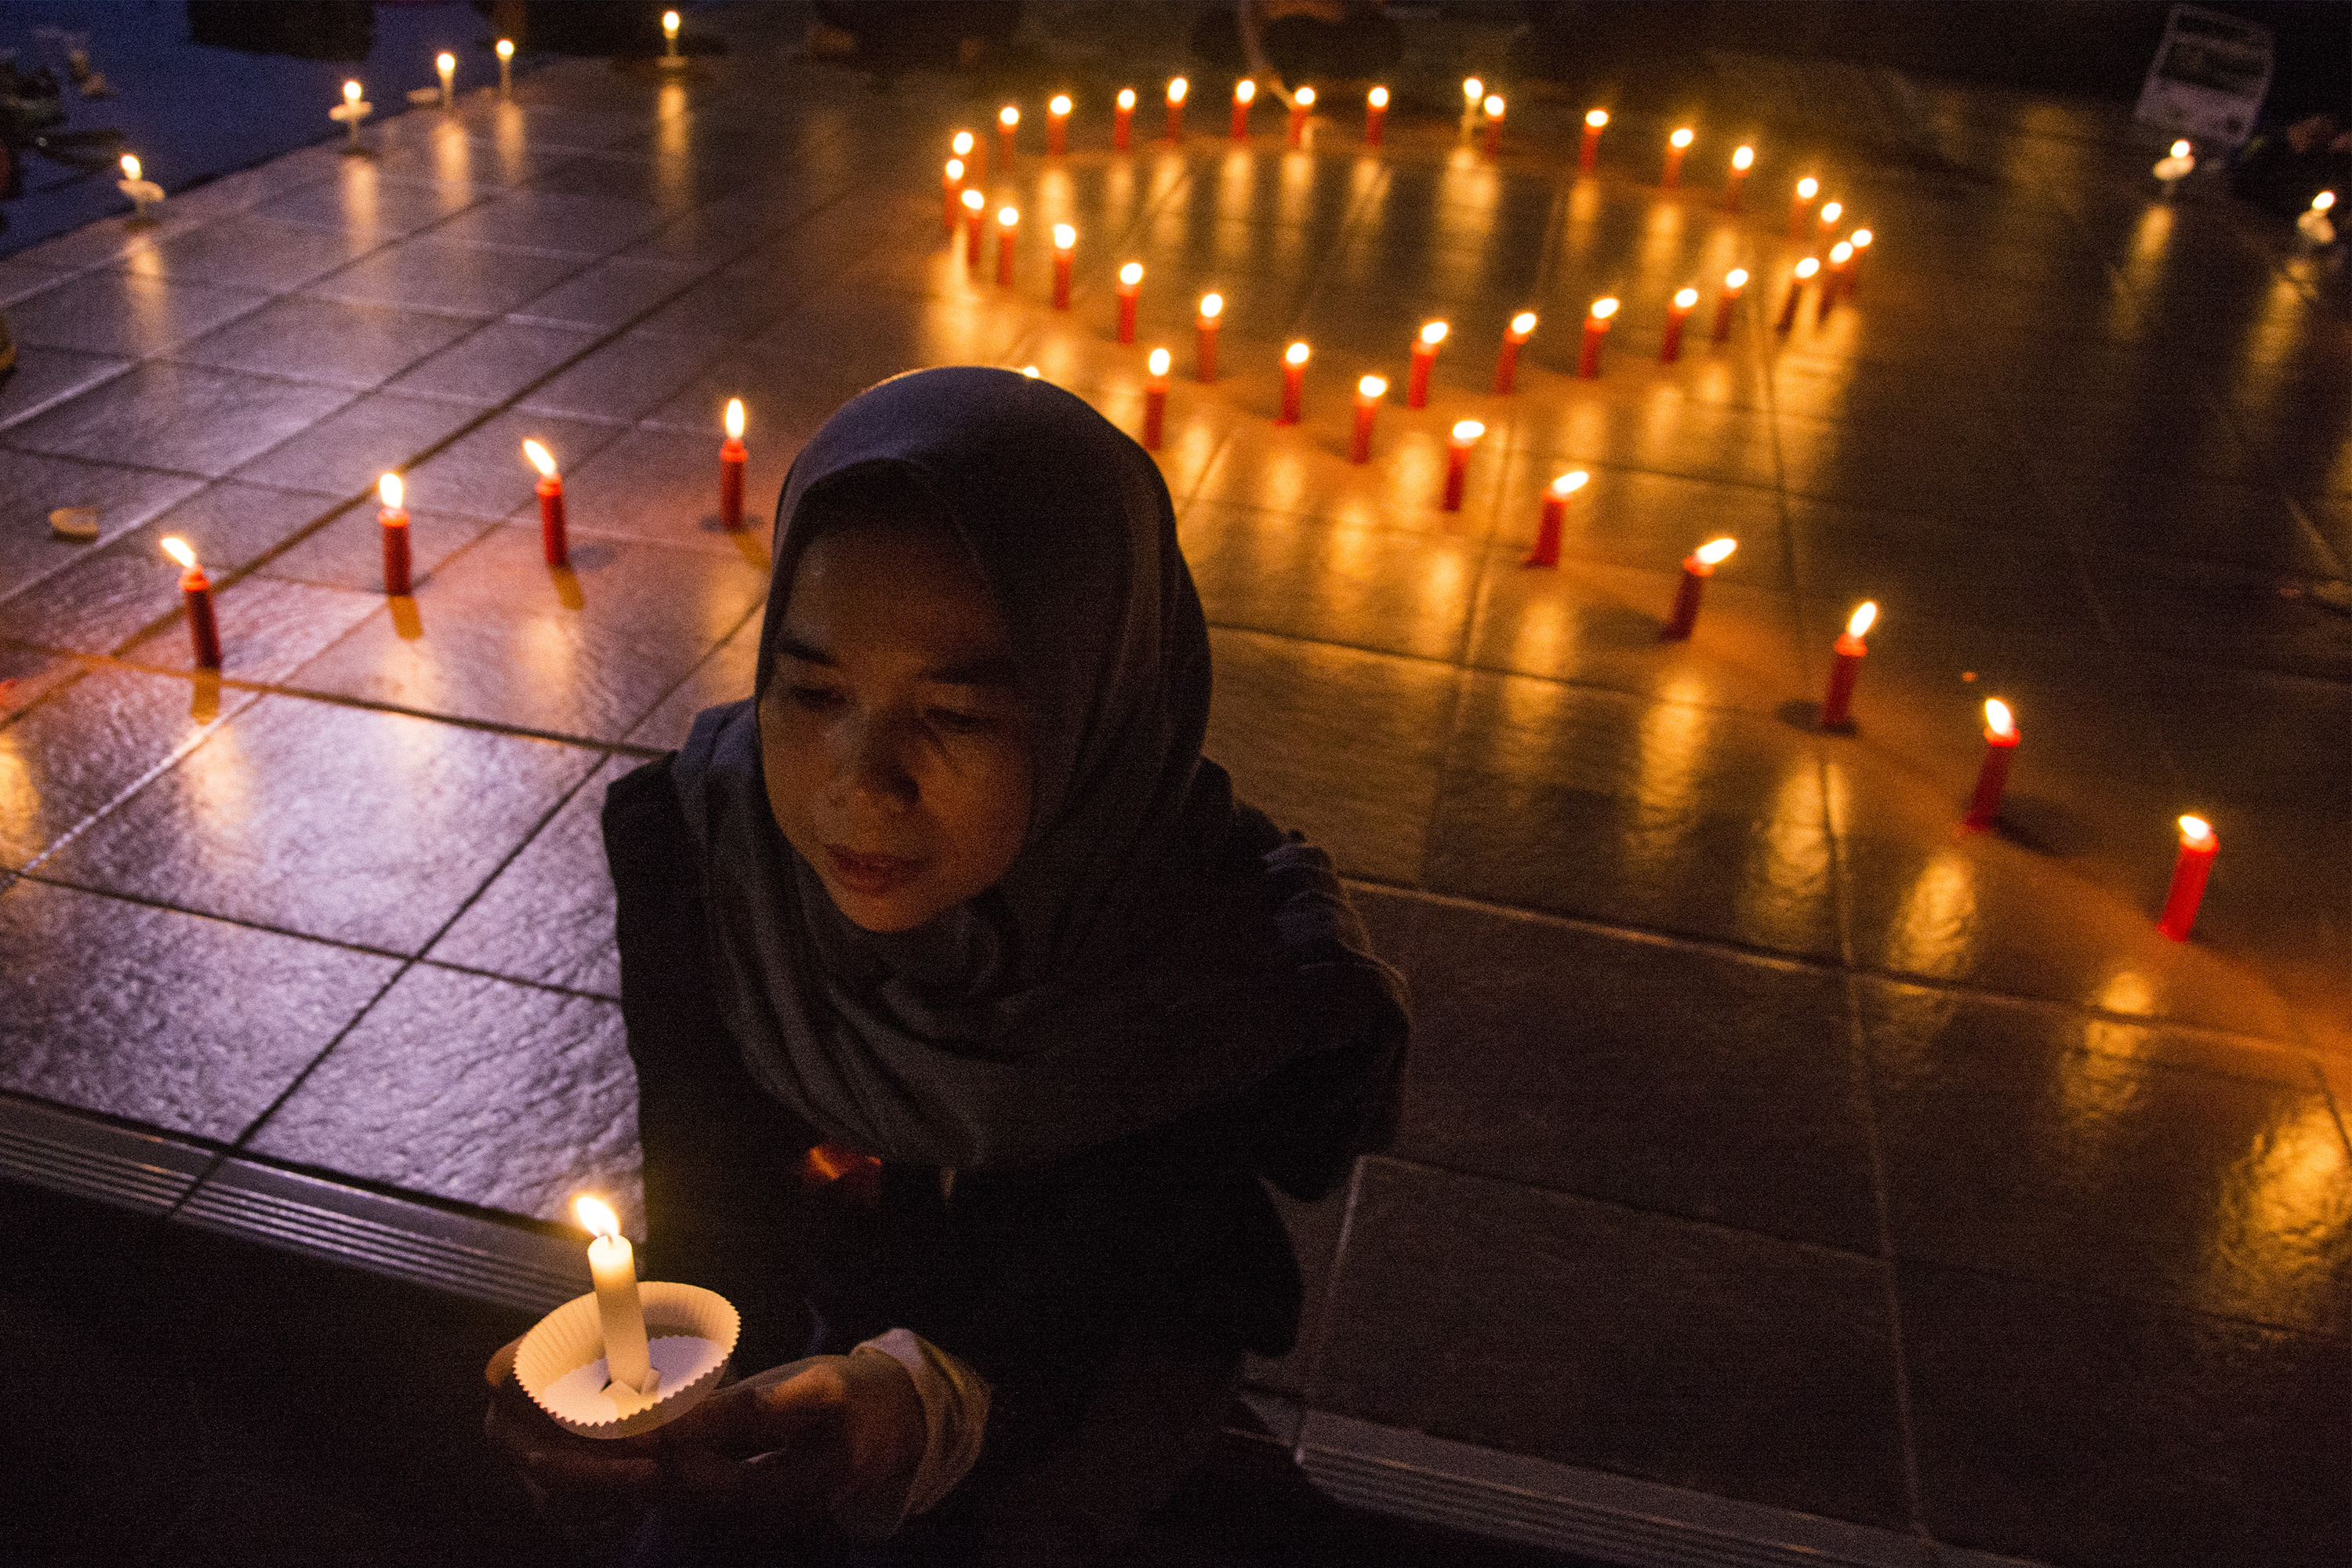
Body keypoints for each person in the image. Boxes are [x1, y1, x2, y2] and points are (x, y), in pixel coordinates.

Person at [487, 366, 1409, 1566]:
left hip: (1087, 1392)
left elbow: (1125, 1284)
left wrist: (919, 1406)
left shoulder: (1200, 957)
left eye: (957, 715)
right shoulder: (710, 858)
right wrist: (642, 1418)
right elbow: (715, 1212)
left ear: (1099, 707)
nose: (861, 782)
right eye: (813, 690)